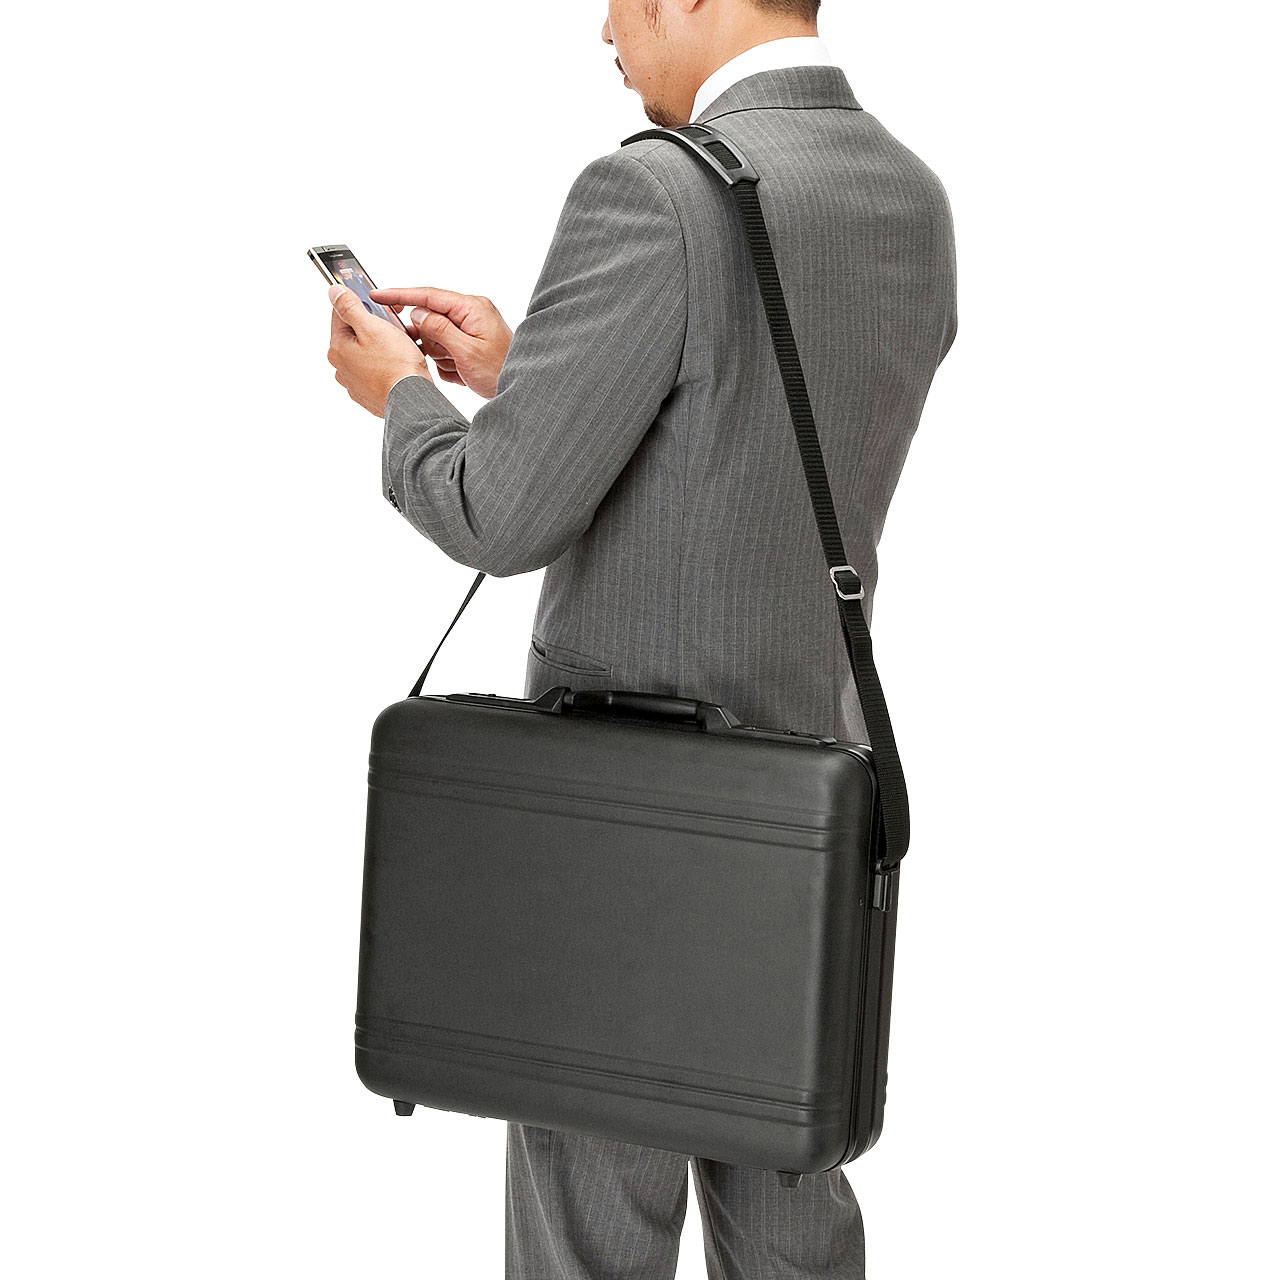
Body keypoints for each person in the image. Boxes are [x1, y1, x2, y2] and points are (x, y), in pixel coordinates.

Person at [325, 1, 957, 1274]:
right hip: (802, 801)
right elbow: (749, 435)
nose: (602, 25)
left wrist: (399, 400)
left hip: (621, 813)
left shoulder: (652, 191)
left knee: (590, 1226)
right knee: (788, 1207)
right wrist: (535, 376)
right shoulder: (904, 192)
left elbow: (496, 514)